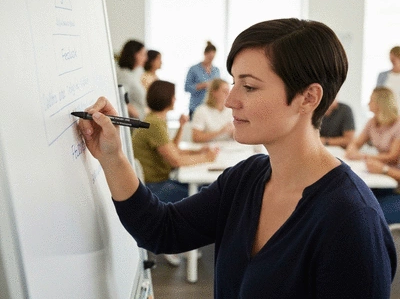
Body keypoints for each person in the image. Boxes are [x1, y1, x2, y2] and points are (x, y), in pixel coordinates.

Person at [78, 18, 396, 298]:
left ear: (308, 98)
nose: (231, 100)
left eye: (249, 86)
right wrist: (112, 156)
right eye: (233, 82)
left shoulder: (353, 220)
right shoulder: (246, 178)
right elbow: (162, 230)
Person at [132, 79, 218, 203]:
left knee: (205, 188)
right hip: (154, 187)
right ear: (167, 98)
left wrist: (182, 128)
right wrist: (206, 158)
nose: (175, 100)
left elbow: (172, 149)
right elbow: (176, 161)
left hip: (156, 183)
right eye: (174, 96)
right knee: (208, 193)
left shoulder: (155, 119)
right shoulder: (155, 124)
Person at [345, 86, 400, 165]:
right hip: (379, 166)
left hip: (394, 170)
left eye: (371, 100)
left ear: (381, 103)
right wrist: (351, 150)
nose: (368, 103)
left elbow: (393, 157)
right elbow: (356, 143)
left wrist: (362, 156)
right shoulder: (372, 122)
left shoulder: (398, 124)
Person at [184, 41, 220, 119]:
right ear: (205, 54)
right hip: (196, 107)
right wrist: (203, 85)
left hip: (212, 108)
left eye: (213, 57)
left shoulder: (216, 70)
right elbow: (187, 87)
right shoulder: (194, 69)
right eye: (209, 57)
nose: (211, 59)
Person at [191, 78, 234, 143]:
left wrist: (234, 133)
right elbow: (196, 138)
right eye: (225, 91)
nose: (228, 94)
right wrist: (220, 132)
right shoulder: (202, 110)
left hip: (229, 148)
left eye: (229, 91)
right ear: (214, 92)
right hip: (208, 149)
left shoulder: (231, 110)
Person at [116, 40, 148, 119]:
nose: (146, 58)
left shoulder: (135, 73)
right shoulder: (125, 75)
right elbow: (120, 99)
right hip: (135, 122)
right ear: (134, 55)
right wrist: (136, 114)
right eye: (143, 54)